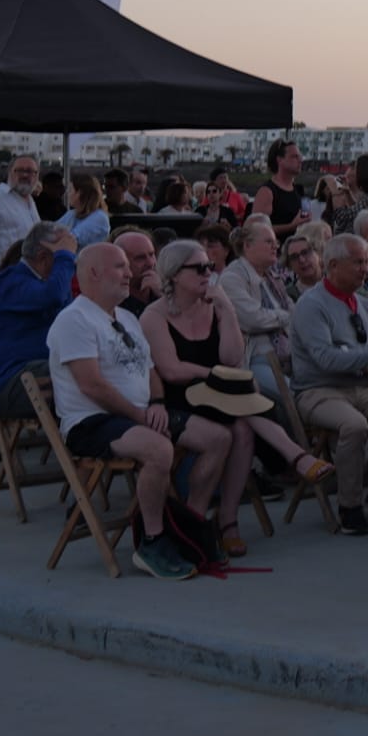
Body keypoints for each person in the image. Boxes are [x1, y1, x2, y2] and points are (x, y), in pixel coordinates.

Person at [47, 243, 232, 580]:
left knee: (218, 437)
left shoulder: (128, 317)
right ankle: (152, 540)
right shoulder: (73, 321)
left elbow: (150, 372)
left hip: (140, 414)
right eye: (120, 267)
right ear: (93, 273)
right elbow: (92, 386)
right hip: (92, 422)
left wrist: (158, 403)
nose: (129, 273)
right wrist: (139, 414)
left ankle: (188, 524)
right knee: (159, 449)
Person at [140, 239, 330, 557]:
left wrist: (227, 310)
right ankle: (296, 457)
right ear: (173, 274)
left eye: (210, 267)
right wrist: (215, 375)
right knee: (241, 396)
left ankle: (228, 521)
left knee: (241, 428)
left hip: (218, 395)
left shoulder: (214, 305)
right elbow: (171, 371)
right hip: (178, 400)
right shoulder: (154, 316)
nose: (208, 273)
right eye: (198, 268)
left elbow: (231, 358)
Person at [289, 233, 368, 535]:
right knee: (354, 425)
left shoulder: (364, 303)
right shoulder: (311, 305)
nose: (365, 268)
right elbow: (326, 360)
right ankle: (349, 505)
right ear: (333, 265)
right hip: (320, 391)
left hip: (365, 388)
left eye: (365, 262)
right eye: (358, 262)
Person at [0, 221, 81, 419]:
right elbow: (51, 296)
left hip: (40, 374)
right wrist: (65, 257)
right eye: (63, 257)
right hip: (14, 382)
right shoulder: (9, 281)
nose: (71, 264)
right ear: (43, 257)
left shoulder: (44, 283)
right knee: (88, 373)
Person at [222, 222, 294, 395]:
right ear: (247, 246)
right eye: (269, 242)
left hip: (291, 355)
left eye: (276, 242)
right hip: (256, 359)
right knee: (295, 396)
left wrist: (282, 316)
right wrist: (284, 317)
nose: (275, 246)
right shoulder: (232, 278)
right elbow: (253, 319)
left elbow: (295, 312)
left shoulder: (271, 277)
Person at [0, 155, 42, 262]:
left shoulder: (30, 202)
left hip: (29, 274)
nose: (24, 175)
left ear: (37, 176)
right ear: (10, 172)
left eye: (29, 171)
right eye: (19, 170)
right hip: (6, 275)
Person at [250, 140, 309, 236]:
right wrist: (291, 226)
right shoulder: (267, 192)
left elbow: (305, 219)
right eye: (294, 156)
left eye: (300, 156)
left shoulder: (299, 190)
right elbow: (256, 229)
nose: (300, 160)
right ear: (279, 160)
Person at [56, 172, 111, 248]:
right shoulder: (72, 213)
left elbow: (72, 239)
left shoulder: (99, 217)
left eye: (70, 190)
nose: (66, 193)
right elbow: (52, 230)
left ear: (80, 193)